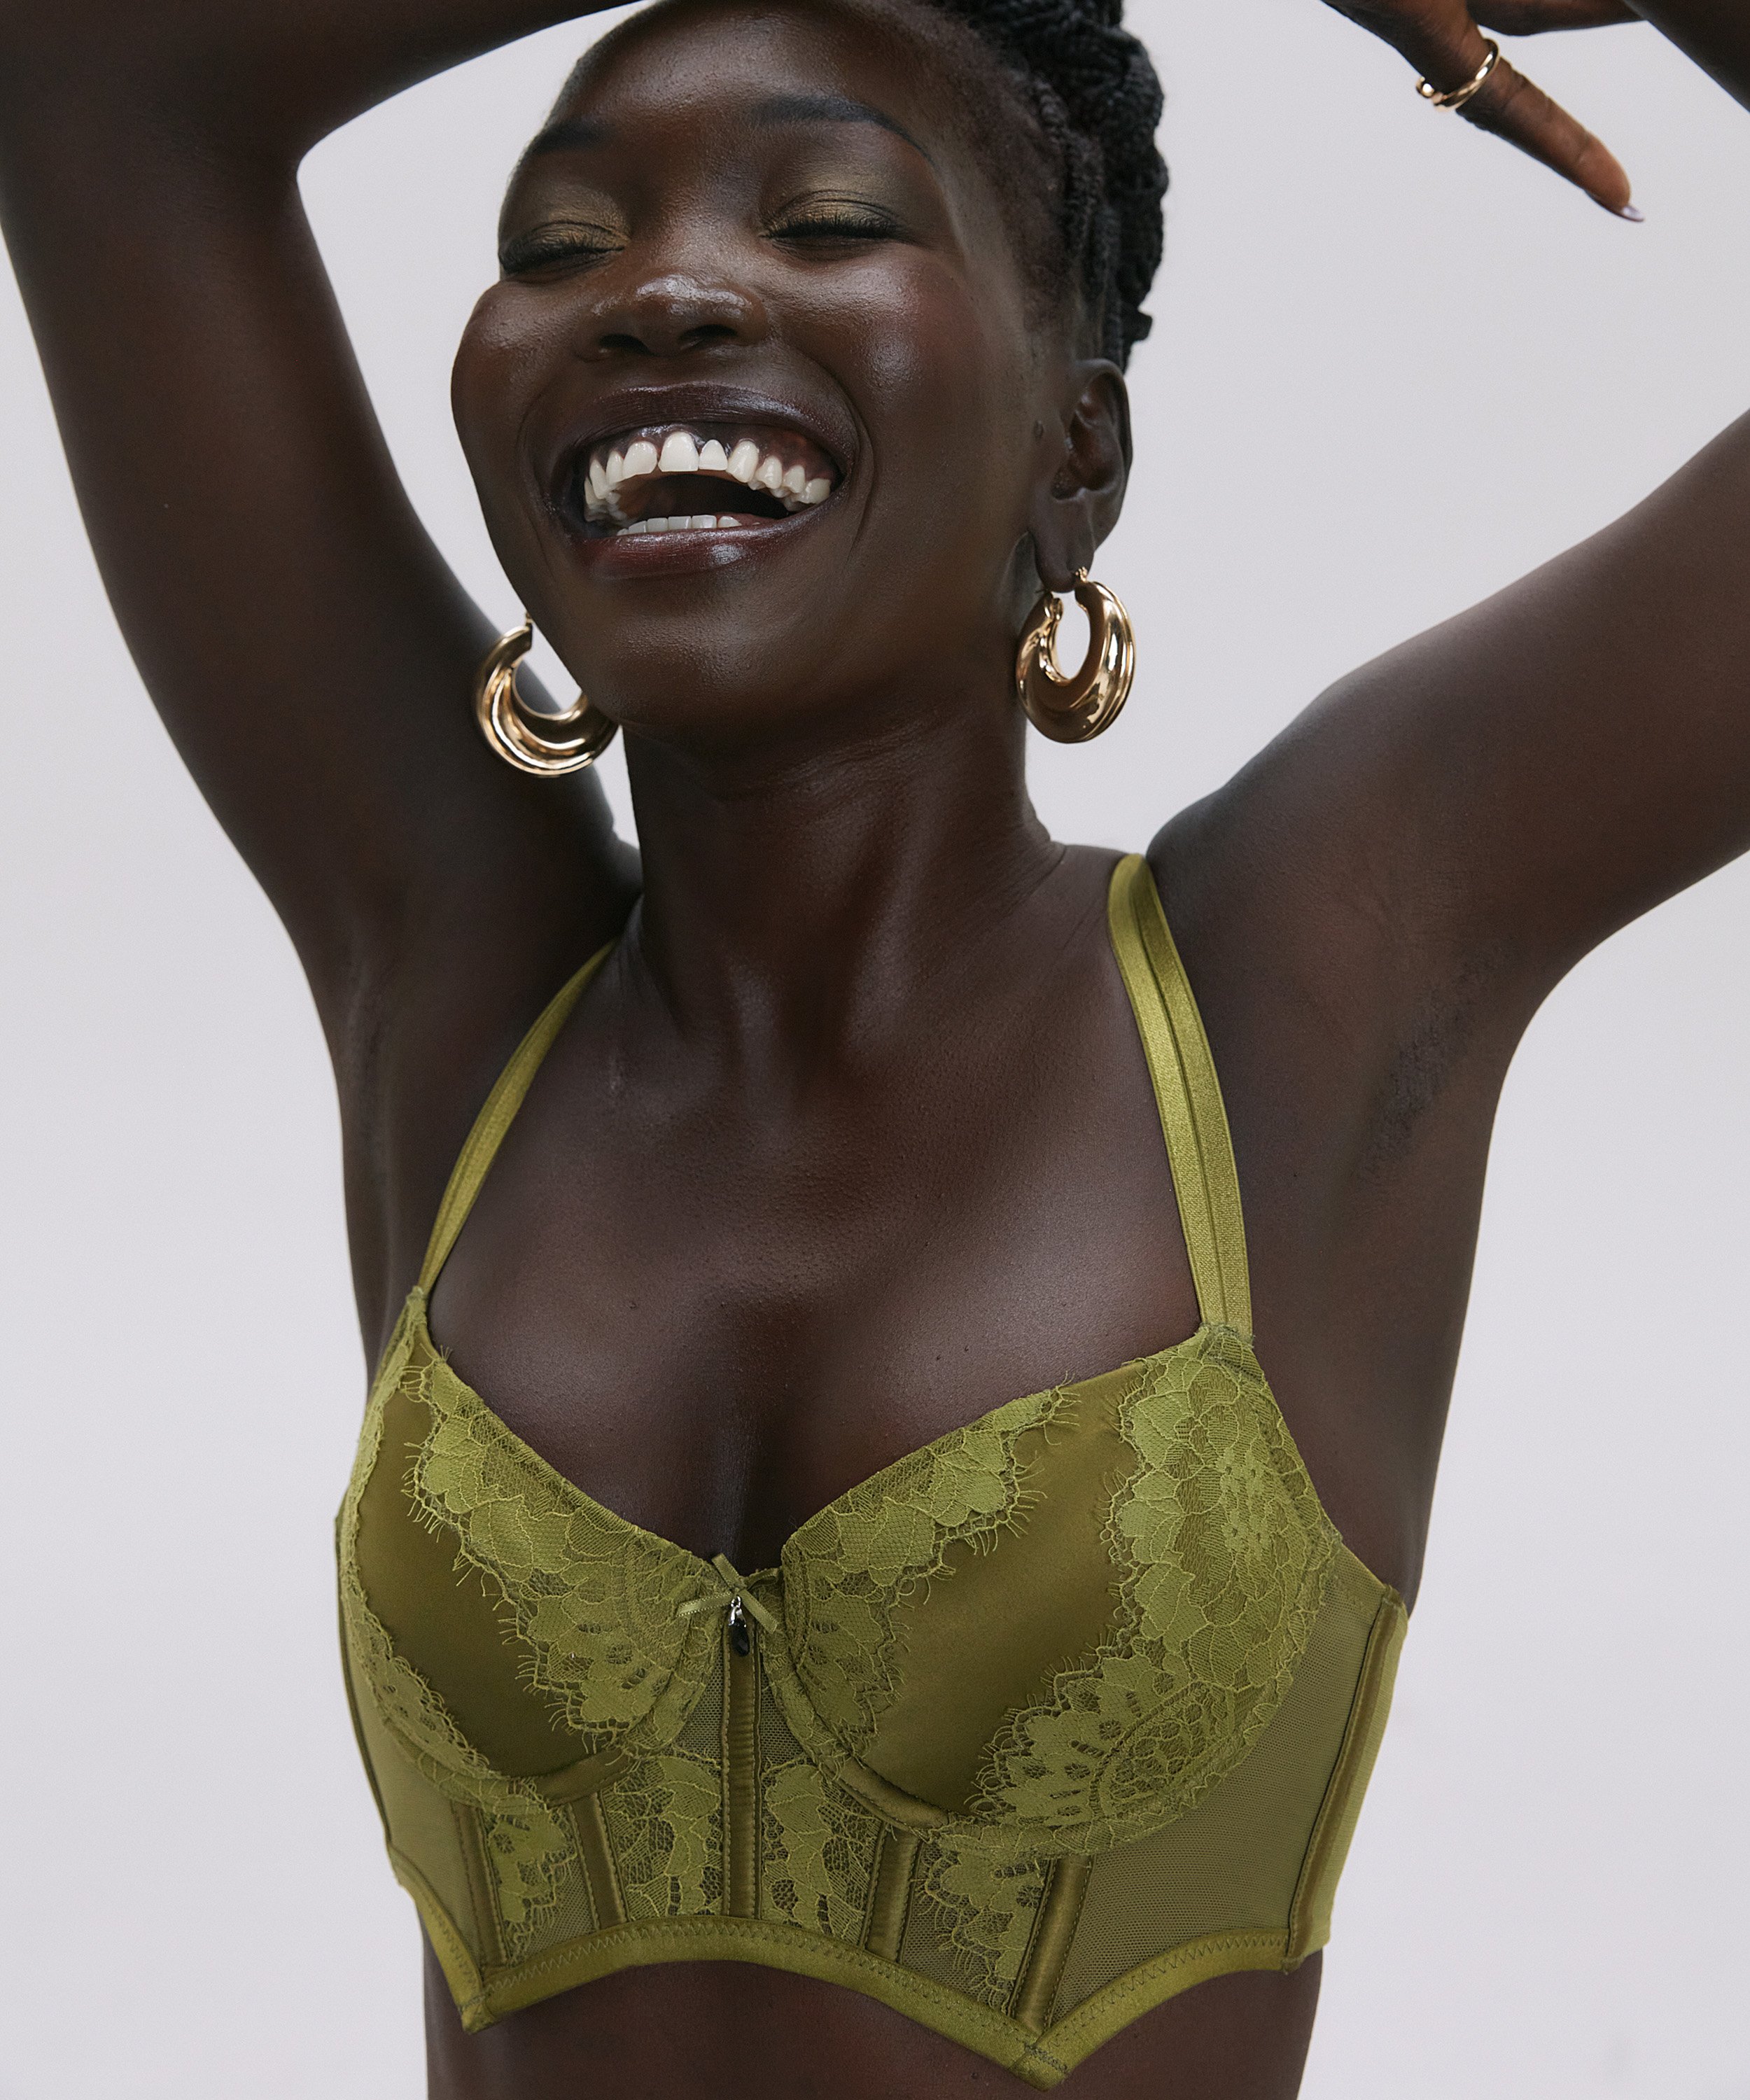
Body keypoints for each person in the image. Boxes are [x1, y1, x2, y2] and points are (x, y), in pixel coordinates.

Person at [1, 0, 1744, 2092]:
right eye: (558, 245)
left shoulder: (1313, 970)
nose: (657, 292)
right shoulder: (457, 983)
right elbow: (86, 82)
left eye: (825, 218)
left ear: (1076, 453)